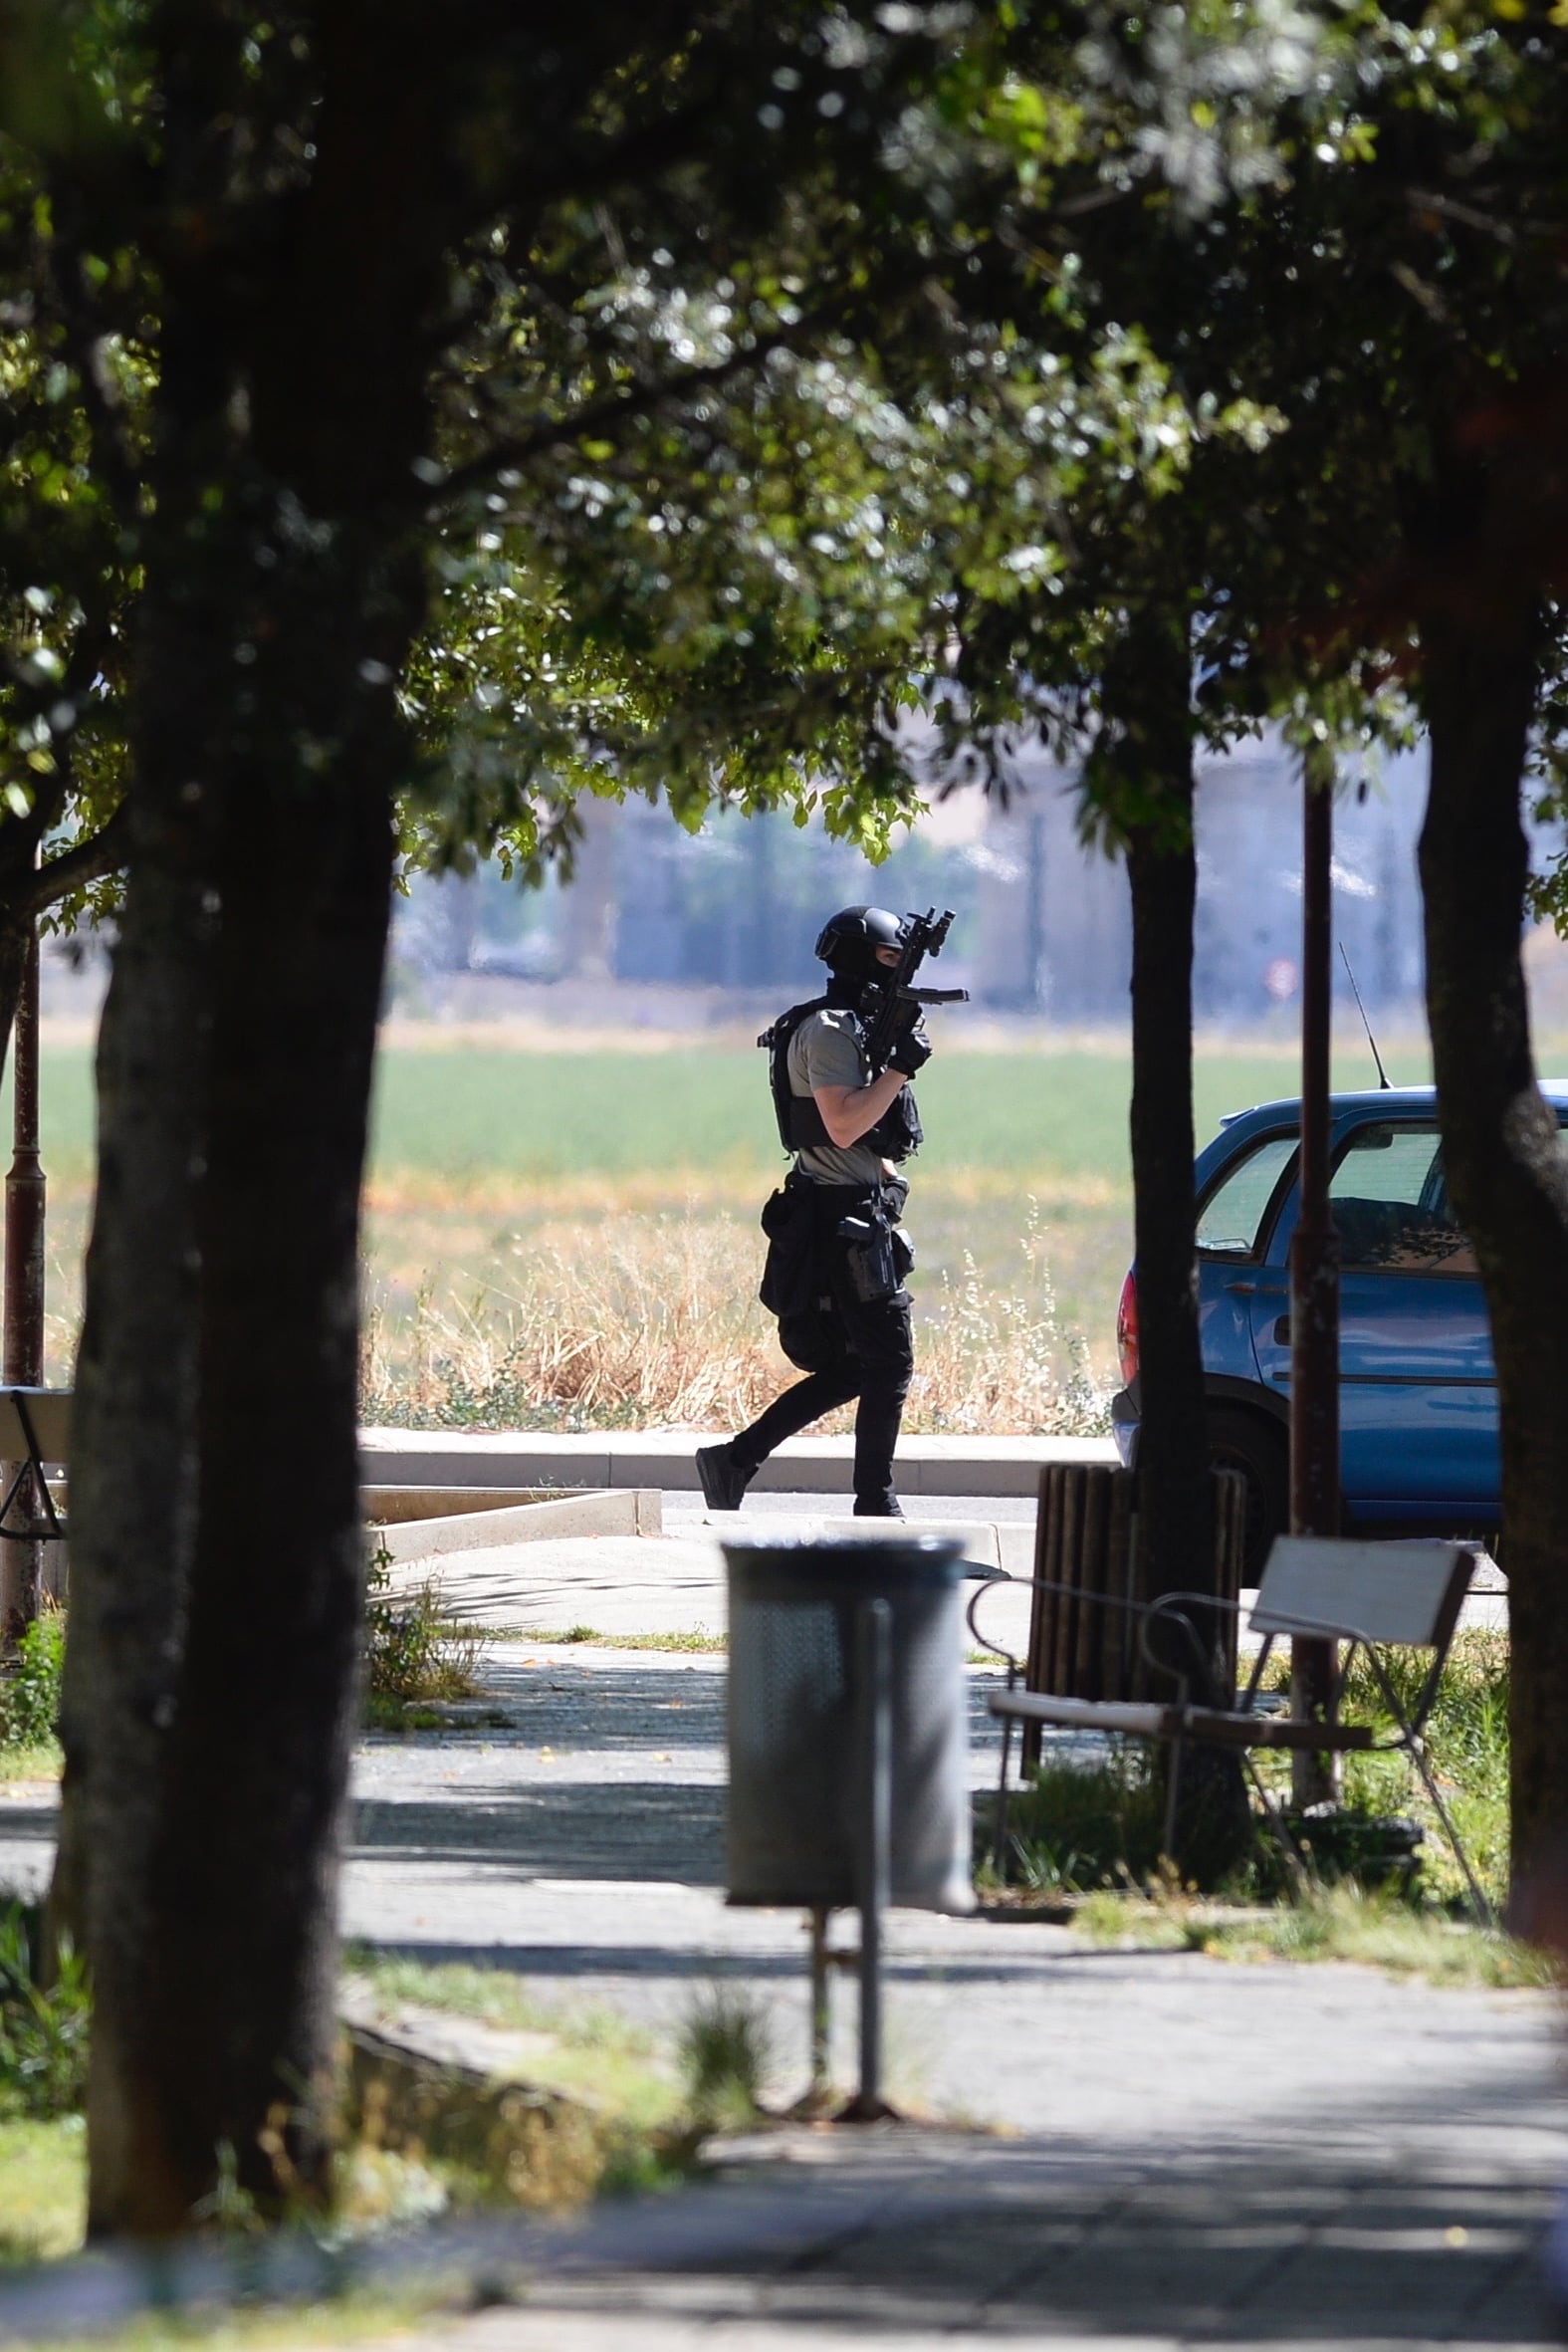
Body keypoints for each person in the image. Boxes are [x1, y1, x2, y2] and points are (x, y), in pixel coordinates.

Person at [696, 905, 931, 1520]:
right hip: (837, 1221)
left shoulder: (851, 1025)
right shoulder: (828, 1030)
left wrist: (888, 1179)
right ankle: (875, 1506)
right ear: (856, 958)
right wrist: (902, 1065)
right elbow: (845, 1124)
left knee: (858, 1365)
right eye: (887, 958)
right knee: (889, 1359)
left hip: (854, 1210)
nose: (897, 970)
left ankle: (735, 1460)